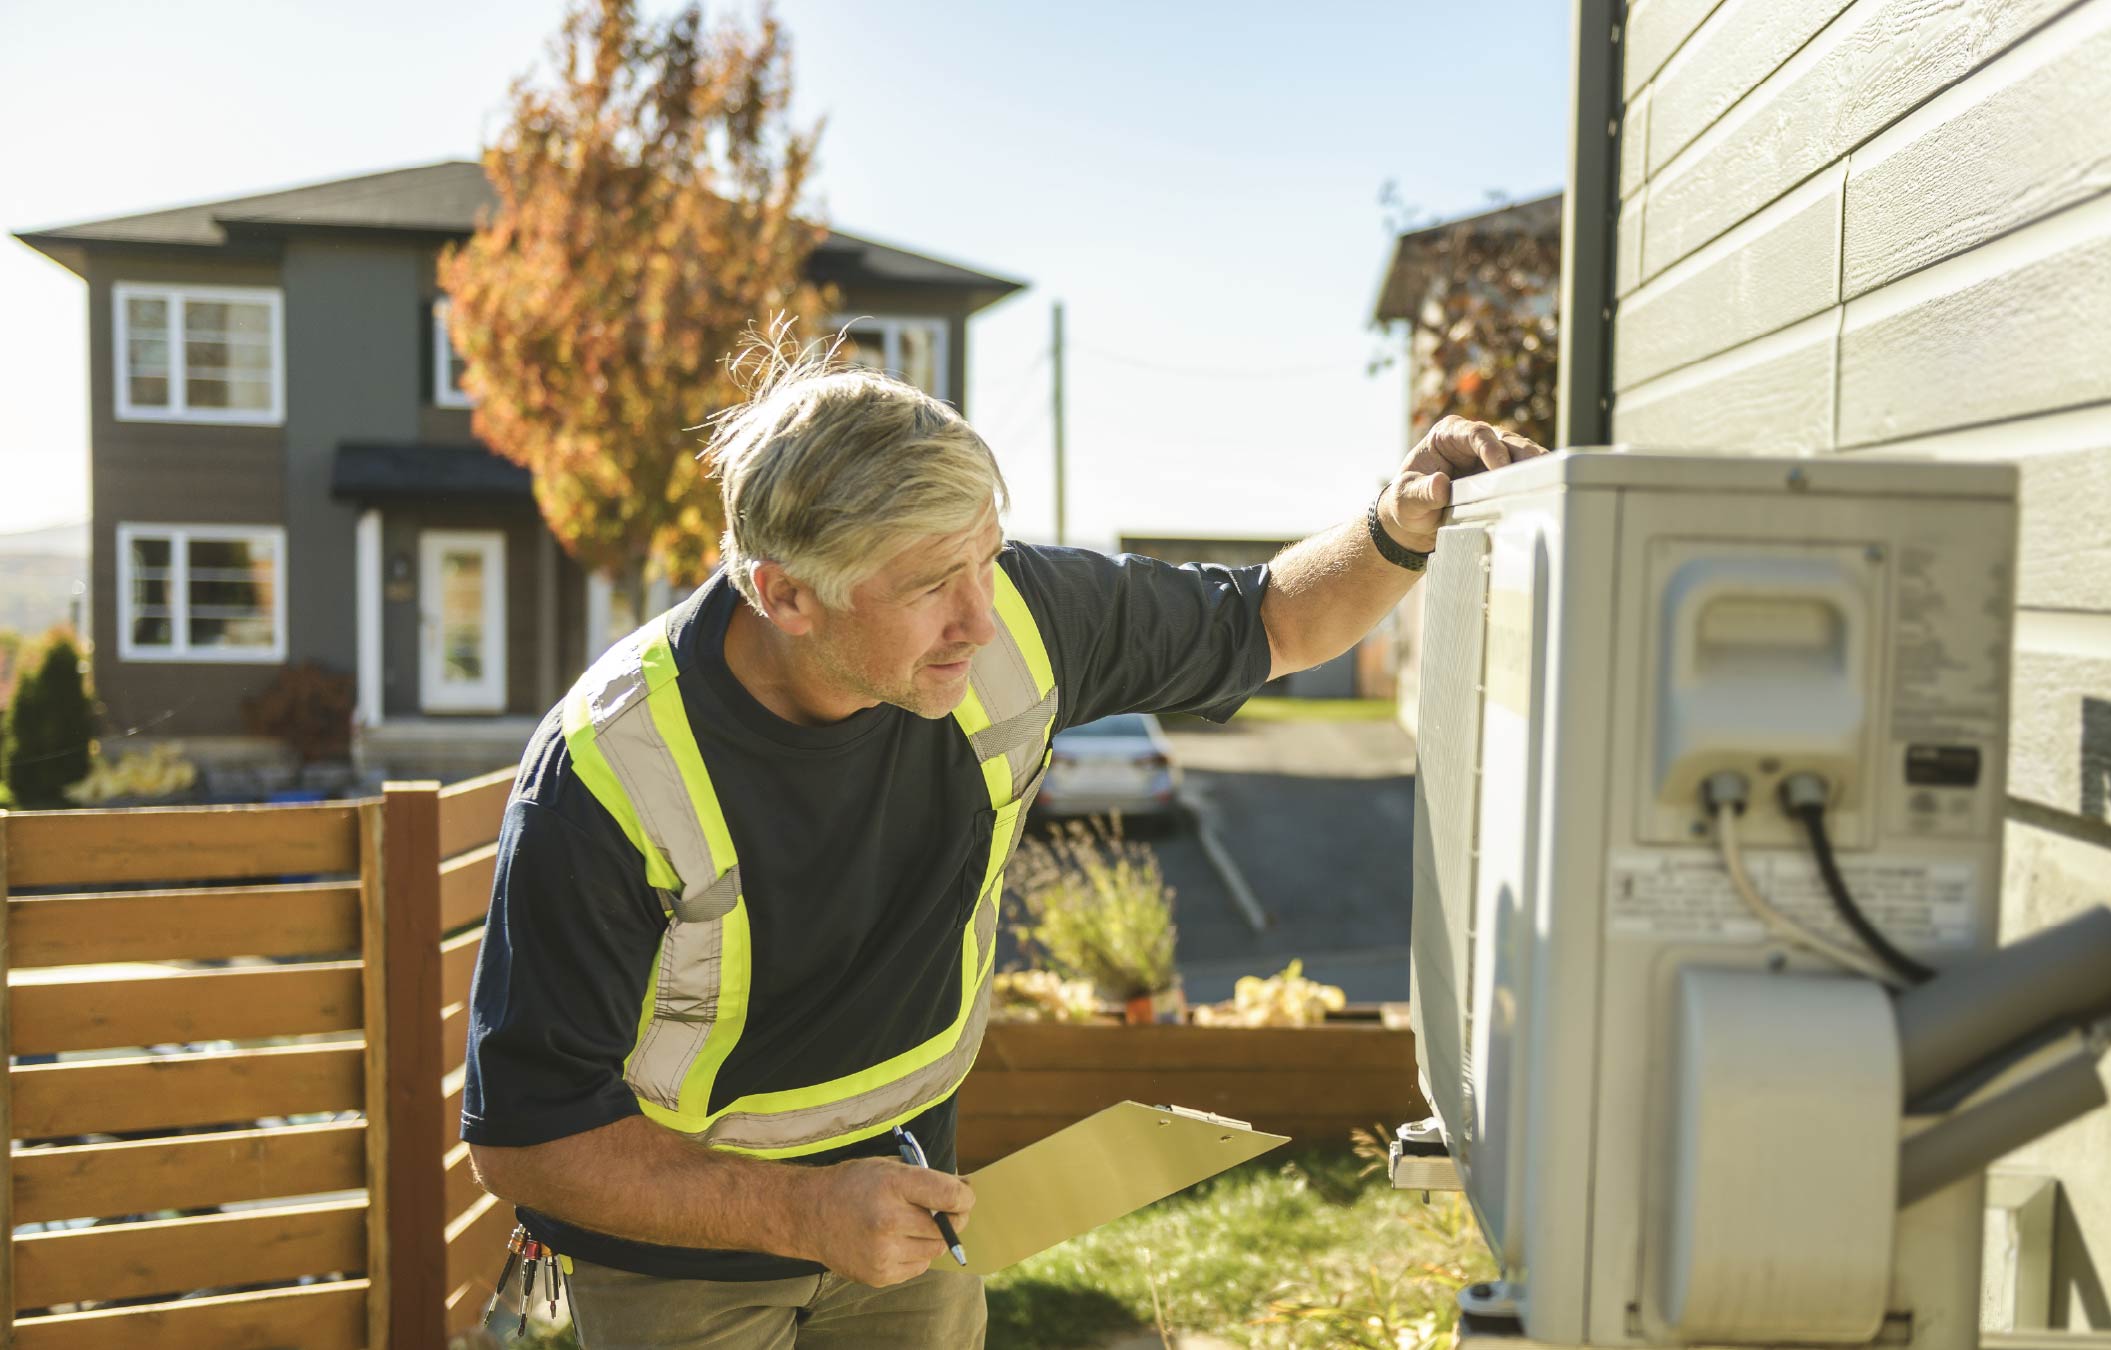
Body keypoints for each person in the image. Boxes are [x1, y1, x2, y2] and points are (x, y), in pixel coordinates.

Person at [459, 345, 1548, 1349]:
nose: (980, 621)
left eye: (984, 557)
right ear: (783, 591)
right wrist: (799, 1208)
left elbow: (1272, 622)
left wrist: (1399, 526)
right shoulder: (606, 777)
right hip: (679, 1255)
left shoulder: (1019, 613)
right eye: (932, 583)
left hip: (913, 1197)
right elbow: (524, 1137)